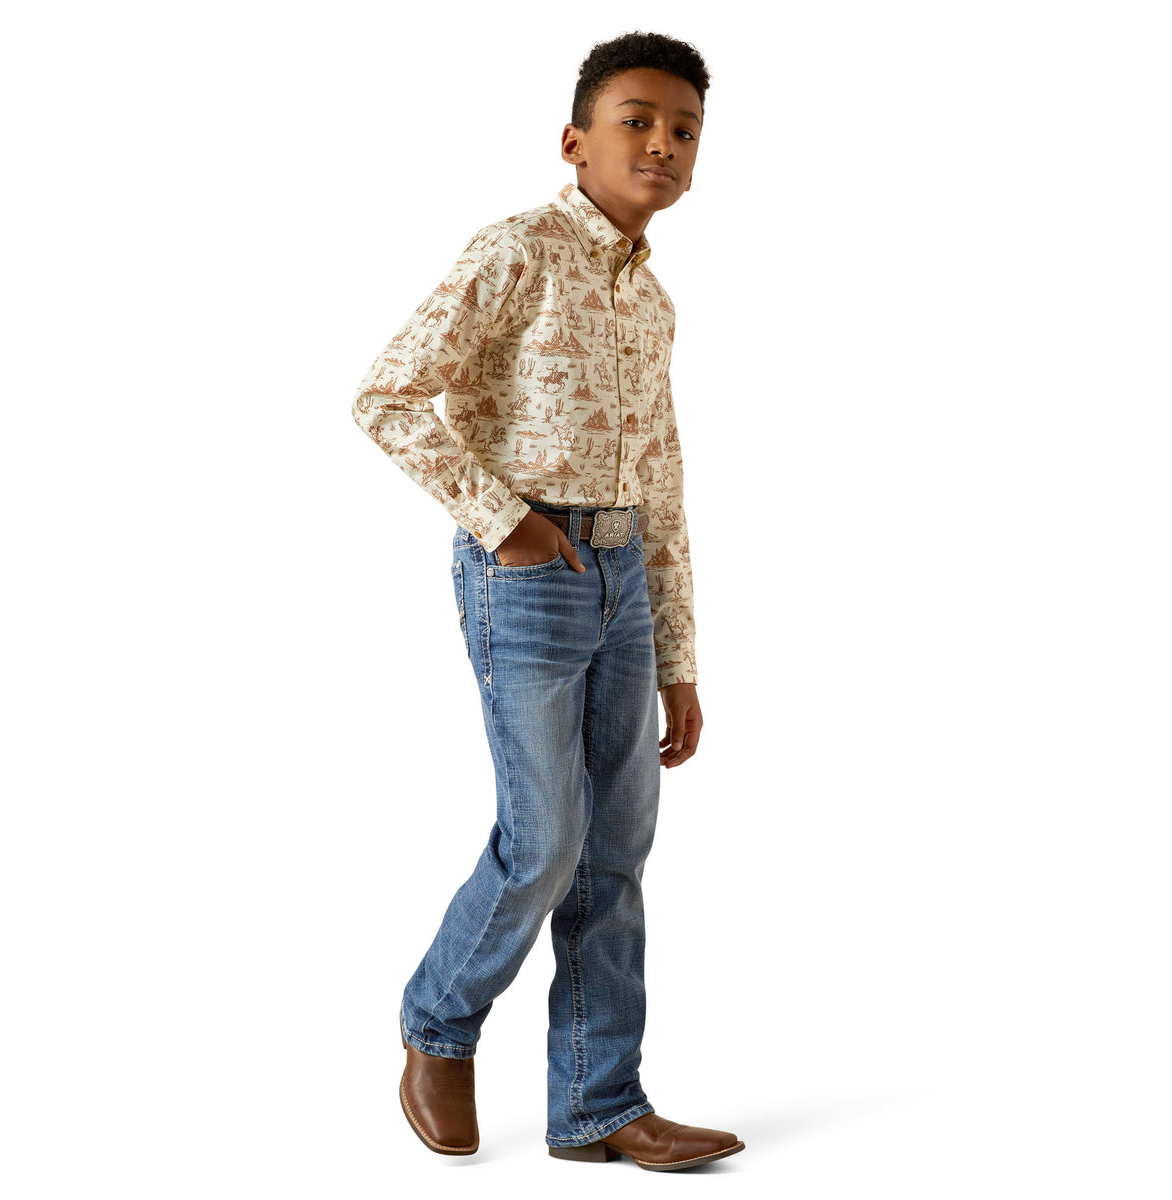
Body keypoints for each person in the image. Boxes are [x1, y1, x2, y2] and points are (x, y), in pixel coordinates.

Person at [351, 30, 744, 1172]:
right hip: (524, 573)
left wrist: (678, 653)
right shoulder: (518, 249)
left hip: (623, 583)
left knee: (619, 846)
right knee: (547, 841)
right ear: (575, 140)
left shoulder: (653, 300)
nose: (662, 145)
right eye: (638, 121)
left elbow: (663, 480)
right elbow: (384, 395)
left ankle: (598, 1103)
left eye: (684, 131)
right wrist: (504, 520)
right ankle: (436, 1022)